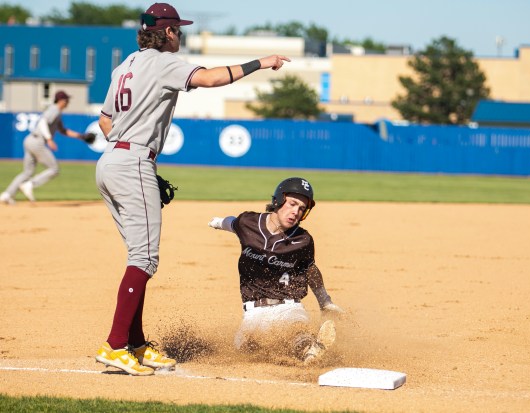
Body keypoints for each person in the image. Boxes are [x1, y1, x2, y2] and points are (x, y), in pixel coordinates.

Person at [93, 2, 291, 376]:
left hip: (110, 161)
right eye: (178, 29)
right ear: (166, 32)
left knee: (139, 256)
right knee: (144, 260)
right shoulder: (162, 61)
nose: (180, 35)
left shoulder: (126, 66)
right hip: (132, 161)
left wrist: (132, 156)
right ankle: (116, 344)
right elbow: (211, 79)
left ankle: (135, 343)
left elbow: (105, 119)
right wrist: (260, 63)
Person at [208, 177, 344, 365]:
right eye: (292, 204)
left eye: (302, 209)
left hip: (288, 307)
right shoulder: (248, 222)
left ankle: (311, 349)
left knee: (295, 333)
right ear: (279, 200)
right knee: (246, 352)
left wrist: (325, 301)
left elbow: (310, 269)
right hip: (252, 314)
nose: (296, 212)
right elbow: (233, 223)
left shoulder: (303, 240)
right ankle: (306, 349)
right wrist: (217, 222)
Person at [0, 91, 85, 205]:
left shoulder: (57, 113)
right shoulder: (54, 109)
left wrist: (80, 136)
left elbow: (63, 130)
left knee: (27, 172)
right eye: (66, 100)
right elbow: (42, 122)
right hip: (38, 141)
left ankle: (7, 195)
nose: (68, 102)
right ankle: (29, 184)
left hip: (30, 140)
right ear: (61, 101)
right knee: (54, 169)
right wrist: (49, 139)